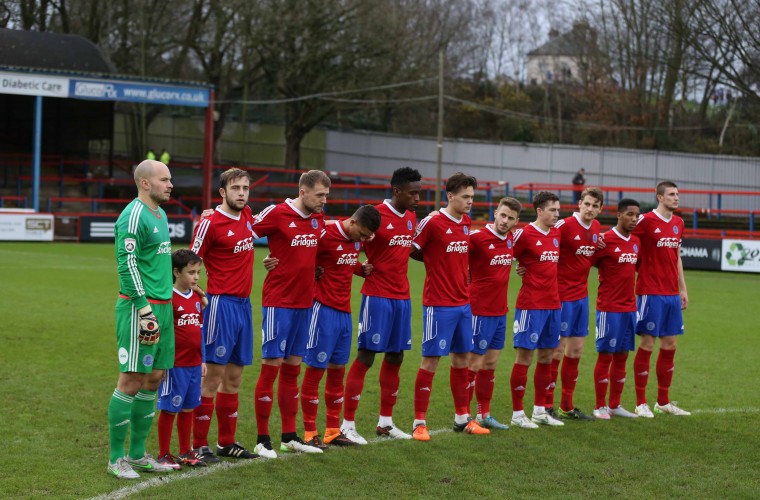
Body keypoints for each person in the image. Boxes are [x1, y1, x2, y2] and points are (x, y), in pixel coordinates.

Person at [268, 206, 381, 448]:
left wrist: (360, 268)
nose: (362, 240)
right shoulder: (325, 234)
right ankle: (310, 432)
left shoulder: (355, 241)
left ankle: (332, 430)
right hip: (322, 310)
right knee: (316, 369)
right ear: (352, 222)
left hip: (345, 313)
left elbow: (344, 262)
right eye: (361, 234)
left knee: (338, 370)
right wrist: (276, 261)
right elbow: (299, 255)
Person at [251, 170, 331, 457]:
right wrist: (264, 259)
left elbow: (316, 251)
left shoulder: (318, 219)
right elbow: (242, 232)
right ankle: (262, 439)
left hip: (304, 303)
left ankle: (289, 435)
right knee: (271, 368)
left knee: (292, 370)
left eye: (326, 195)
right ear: (303, 192)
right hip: (278, 303)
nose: (324, 200)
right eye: (320, 195)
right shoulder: (277, 213)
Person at [340, 167, 422, 444]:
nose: (418, 198)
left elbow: (411, 250)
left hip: (403, 298)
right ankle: (347, 424)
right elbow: (345, 240)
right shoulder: (374, 215)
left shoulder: (411, 217)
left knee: (396, 357)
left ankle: (385, 422)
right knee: (366, 356)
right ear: (396, 191)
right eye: (413, 193)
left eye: (419, 193)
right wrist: (357, 268)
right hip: (376, 297)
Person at [107, 159, 175, 479]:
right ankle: (115, 458)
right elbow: (127, 264)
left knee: (154, 378)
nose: (170, 184)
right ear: (145, 183)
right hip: (140, 309)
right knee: (131, 380)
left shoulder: (160, 213)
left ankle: (137, 455)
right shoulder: (132, 215)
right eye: (164, 179)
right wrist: (144, 307)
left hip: (163, 307)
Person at [410, 172, 489, 441]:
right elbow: (412, 249)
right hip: (438, 304)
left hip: (463, 304)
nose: (470, 202)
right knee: (430, 361)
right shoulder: (433, 221)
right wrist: (435, 263)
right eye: (465, 197)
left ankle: (462, 418)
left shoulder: (466, 222)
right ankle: (419, 422)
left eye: (472, 197)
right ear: (450, 196)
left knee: (461, 360)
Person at [190, 167, 258, 462]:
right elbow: (189, 261)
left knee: (235, 377)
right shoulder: (210, 224)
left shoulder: (247, 216)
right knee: (212, 377)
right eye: (236, 188)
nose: (241, 193)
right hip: (220, 305)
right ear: (222, 192)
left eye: (245, 188)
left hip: (244, 305)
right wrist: (196, 296)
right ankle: (199, 444)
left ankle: (226, 442)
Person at [632, 181, 690, 417]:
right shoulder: (645, 221)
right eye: (672, 194)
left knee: (670, 345)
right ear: (659, 197)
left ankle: (663, 401)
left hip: (671, 295)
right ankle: (640, 402)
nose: (676, 198)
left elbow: (676, 256)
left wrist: (682, 288)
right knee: (647, 344)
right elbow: (627, 243)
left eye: (677, 194)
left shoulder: (679, 223)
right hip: (649, 292)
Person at [545, 187, 603, 421]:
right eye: (587, 204)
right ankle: (546, 405)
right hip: (561, 296)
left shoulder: (597, 229)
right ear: (579, 203)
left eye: (595, 206)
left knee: (576, 349)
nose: (590, 209)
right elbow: (544, 244)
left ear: (600, 209)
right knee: (557, 350)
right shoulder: (564, 226)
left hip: (581, 297)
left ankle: (566, 406)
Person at [509, 191, 564, 429]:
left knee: (546, 357)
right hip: (530, 306)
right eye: (552, 210)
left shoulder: (556, 233)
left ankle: (540, 410)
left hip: (553, 304)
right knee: (524, 358)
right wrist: (520, 267)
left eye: (558, 210)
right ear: (539, 211)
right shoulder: (524, 234)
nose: (557, 215)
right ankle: (517, 413)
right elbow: (503, 254)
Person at [466, 197, 522, 430]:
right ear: (495, 212)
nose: (505, 221)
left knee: (490, 364)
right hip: (479, 309)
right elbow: (456, 261)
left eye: (510, 218)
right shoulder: (477, 238)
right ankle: (463, 416)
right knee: (473, 364)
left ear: (516, 222)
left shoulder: (510, 239)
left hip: (501, 311)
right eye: (502, 215)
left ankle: (484, 414)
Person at [156, 249, 209, 469]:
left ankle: (186, 451)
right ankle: (164, 454)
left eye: (198, 272)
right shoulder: (167, 298)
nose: (196, 277)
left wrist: (203, 359)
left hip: (194, 363)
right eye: (191, 272)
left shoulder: (196, 297)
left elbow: (200, 329)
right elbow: (164, 331)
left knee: (189, 408)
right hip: (174, 364)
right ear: (176, 272)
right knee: (170, 408)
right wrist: (162, 362)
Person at [590, 199, 641, 419]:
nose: (634, 219)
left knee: (622, 356)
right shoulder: (604, 240)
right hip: (608, 308)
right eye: (629, 214)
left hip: (630, 308)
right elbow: (583, 261)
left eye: (637, 215)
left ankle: (615, 404)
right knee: (605, 356)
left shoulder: (636, 242)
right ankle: (600, 405)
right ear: (619, 215)